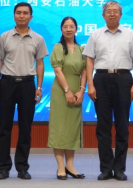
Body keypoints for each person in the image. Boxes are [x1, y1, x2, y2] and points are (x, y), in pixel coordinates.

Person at [84, 0, 133, 182]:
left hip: (123, 79)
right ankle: (105, 169)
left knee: (122, 126)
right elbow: (89, 60)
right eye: (108, 11)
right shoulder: (95, 34)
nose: (112, 14)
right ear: (103, 15)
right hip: (101, 79)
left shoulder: (130, 34)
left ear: (121, 15)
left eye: (115, 11)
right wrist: (90, 85)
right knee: (103, 127)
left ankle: (119, 169)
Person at [0, 2, 49, 180]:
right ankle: (3, 167)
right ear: (14, 16)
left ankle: (22, 167)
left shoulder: (38, 38)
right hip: (7, 83)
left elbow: (40, 64)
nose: (21, 16)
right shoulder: (4, 36)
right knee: (4, 127)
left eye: (25, 13)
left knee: (25, 128)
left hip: (28, 84)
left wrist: (39, 87)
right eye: (18, 13)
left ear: (31, 17)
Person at [48, 17, 87, 180]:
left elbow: (85, 71)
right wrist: (67, 90)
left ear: (76, 29)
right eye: (65, 26)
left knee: (72, 128)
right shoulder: (58, 47)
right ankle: (60, 167)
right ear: (61, 29)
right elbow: (57, 70)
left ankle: (70, 166)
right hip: (60, 90)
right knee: (59, 128)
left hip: (77, 89)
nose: (68, 29)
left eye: (72, 26)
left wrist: (81, 90)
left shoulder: (82, 49)